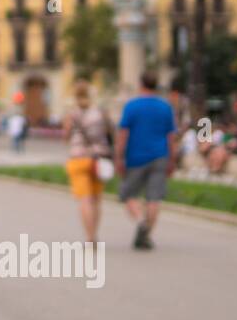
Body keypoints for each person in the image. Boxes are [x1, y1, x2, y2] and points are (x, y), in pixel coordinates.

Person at [114, 70, 178, 250]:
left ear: (141, 84)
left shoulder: (131, 106)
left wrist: (119, 157)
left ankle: (141, 222)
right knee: (154, 198)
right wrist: (172, 160)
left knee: (128, 194)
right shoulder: (165, 107)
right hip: (160, 156)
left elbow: (123, 135)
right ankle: (146, 235)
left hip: (136, 157)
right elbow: (171, 137)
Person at [61, 80, 111, 245]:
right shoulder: (100, 112)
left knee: (85, 200)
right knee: (96, 199)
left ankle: (90, 237)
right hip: (98, 159)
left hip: (78, 159)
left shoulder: (71, 114)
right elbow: (110, 132)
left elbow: (66, 136)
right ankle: (94, 232)